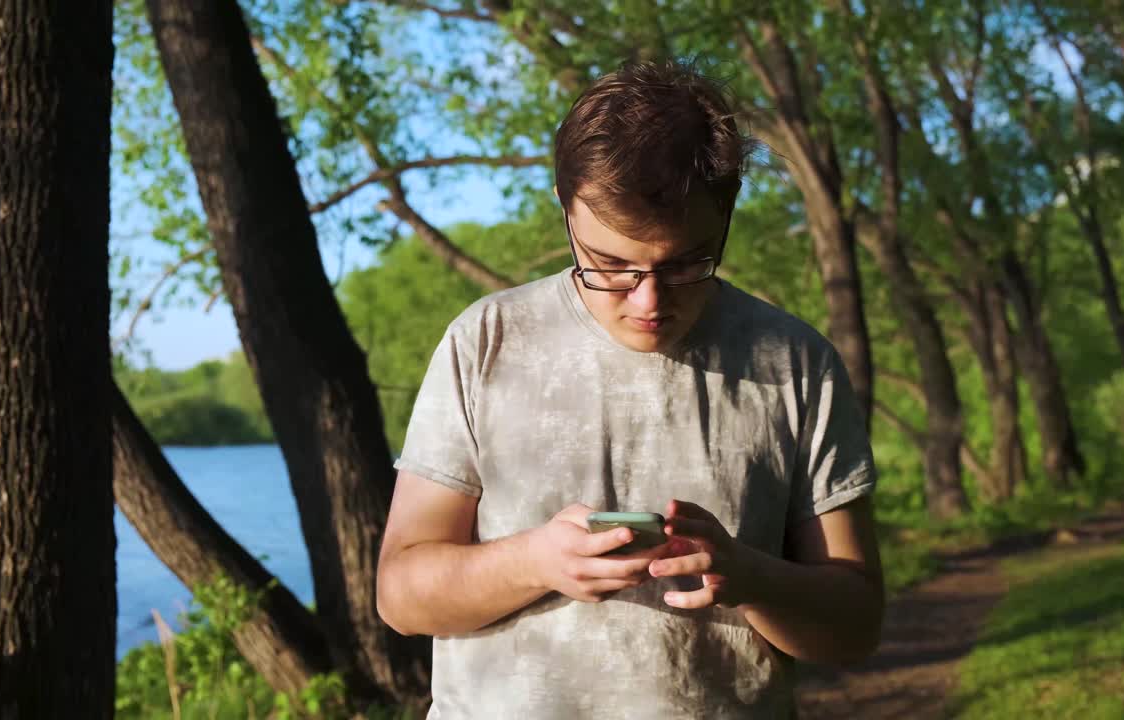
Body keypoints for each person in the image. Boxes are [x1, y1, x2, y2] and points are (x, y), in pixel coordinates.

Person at [376, 60, 884, 719]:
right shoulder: (486, 341)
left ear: (725, 216)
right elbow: (400, 594)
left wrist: (749, 577)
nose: (648, 301)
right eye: (610, 266)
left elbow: (854, 627)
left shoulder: (794, 363)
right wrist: (535, 561)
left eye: (684, 265)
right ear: (567, 209)